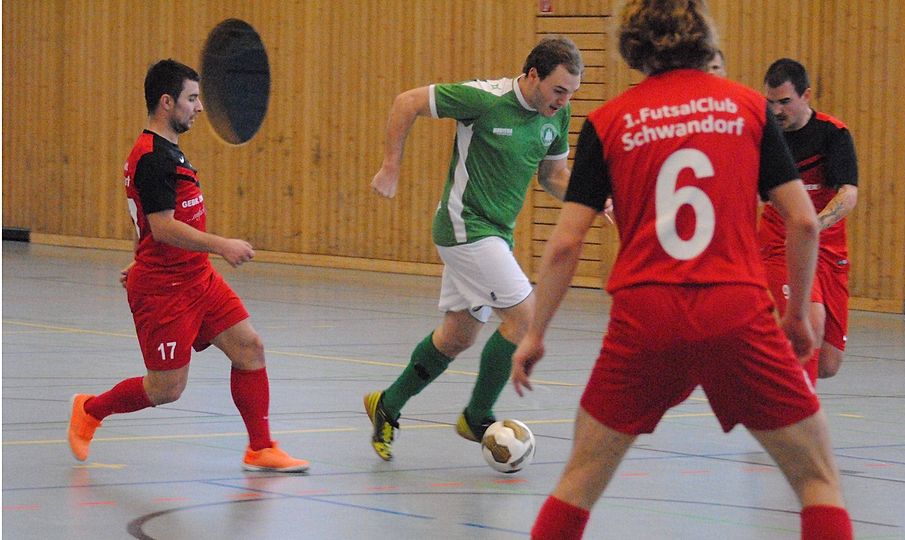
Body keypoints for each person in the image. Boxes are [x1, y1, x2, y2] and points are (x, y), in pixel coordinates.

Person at [511, 1, 852, 539]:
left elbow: (565, 245)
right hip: (735, 310)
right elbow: (805, 223)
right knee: (817, 478)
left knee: (577, 482)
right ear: (705, 39)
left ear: (634, 45)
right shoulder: (748, 108)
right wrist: (795, 315)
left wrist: (535, 334)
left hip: (644, 316)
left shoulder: (608, 120)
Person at [67, 59, 309, 473]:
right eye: (192, 99)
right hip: (165, 290)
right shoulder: (151, 157)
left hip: (196, 277)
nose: (199, 107)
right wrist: (222, 245)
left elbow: (144, 218)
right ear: (166, 102)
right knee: (166, 389)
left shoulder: (167, 149)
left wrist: (138, 255)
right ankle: (90, 410)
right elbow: (161, 227)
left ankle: (261, 447)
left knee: (249, 348)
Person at [363, 37, 584, 461]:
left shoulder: (557, 113)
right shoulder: (484, 99)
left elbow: (554, 175)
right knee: (524, 316)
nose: (564, 101)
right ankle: (477, 416)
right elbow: (406, 102)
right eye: (559, 90)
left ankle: (387, 405)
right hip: (465, 228)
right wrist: (391, 165)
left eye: (572, 93)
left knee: (456, 337)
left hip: (496, 235)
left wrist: (591, 198)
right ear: (533, 75)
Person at [760, 58, 859, 382]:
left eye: (785, 102)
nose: (776, 110)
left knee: (828, 363)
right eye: (770, 102)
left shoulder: (833, 134)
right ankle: (800, 416)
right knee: (810, 321)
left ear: (807, 95)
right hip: (780, 242)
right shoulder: (765, 138)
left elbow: (847, 194)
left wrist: (814, 225)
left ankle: (774, 367)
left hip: (828, 247)